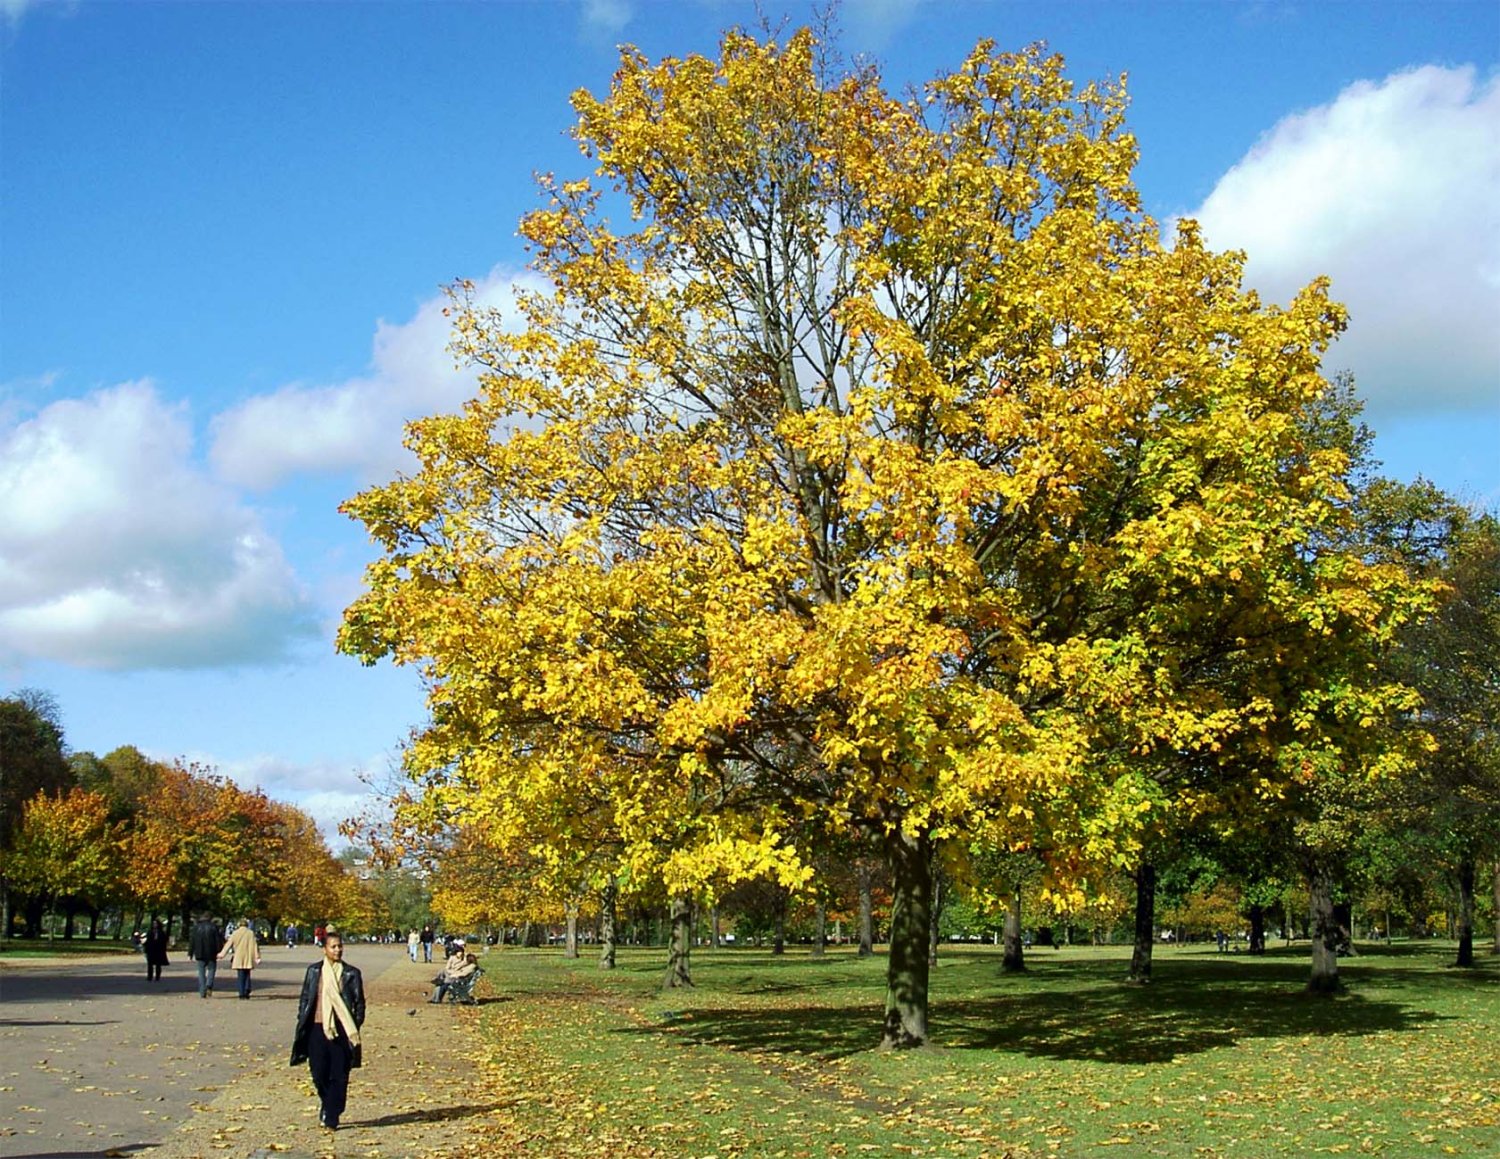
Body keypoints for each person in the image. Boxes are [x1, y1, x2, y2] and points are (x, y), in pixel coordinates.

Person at [290, 929, 366, 1131]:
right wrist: (301, 1017)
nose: (337, 950)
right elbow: (306, 997)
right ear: (324, 949)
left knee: (339, 1074)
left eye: (340, 946)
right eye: (333, 947)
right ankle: (329, 1103)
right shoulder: (314, 971)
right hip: (316, 1027)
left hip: (342, 1029)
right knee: (319, 1072)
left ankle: (331, 1115)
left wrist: (353, 1025)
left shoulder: (351, 973)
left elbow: (359, 1003)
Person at [220, 915, 262, 998]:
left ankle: (241, 992)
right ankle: (247, 988)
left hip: (238, 956)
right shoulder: (250, 933)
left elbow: (228, 944)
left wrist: (222, 954)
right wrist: (257, 956)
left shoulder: (235, 933)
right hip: (248, 955)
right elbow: (255, 945)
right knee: (247, 973)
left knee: (240, 975)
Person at [189, 914, 224, 998]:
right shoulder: (214, 927)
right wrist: (219, 951)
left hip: (199, 952)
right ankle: (209, 985)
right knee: (211, 970)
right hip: (211, 952)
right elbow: (217, 940)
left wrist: (190, 953)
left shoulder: (196, 928)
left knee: (201, 972)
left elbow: (192, 941)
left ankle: (202, 991)